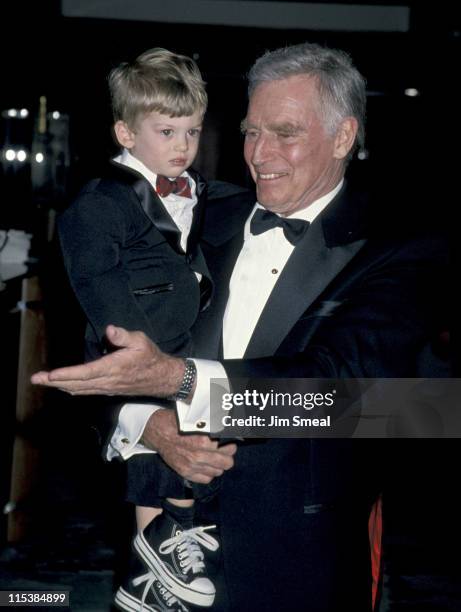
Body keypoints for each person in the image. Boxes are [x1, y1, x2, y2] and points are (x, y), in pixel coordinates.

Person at [32, 42, 448, 611]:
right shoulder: (197, 215)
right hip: (164, 554)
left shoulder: (402, 249)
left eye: (284, 132)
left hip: (297, 561)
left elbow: (362, 398)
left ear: (344, 136)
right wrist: (147, 422)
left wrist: (182, 386)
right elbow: (109, 350)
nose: (259, 153)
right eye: (252, 131)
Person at [55, 47, 226, 612]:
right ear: (125, 133)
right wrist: (135, 350)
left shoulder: (197, 191)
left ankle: (149, 574)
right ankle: (163, 544)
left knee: (192, 446)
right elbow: (98, 285)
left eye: (193, 131)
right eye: (167, 131)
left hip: (184, 347)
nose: (183, 146)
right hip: (130, 346)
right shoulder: (100, 203)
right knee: (159, 444)